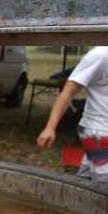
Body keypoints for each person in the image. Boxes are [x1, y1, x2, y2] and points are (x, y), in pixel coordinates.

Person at [37, 46, 108, 182]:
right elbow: (68, 92)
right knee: (103, 189)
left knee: (85, 181)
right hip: (98, 132)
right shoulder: (100, 56)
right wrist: (50, 128)